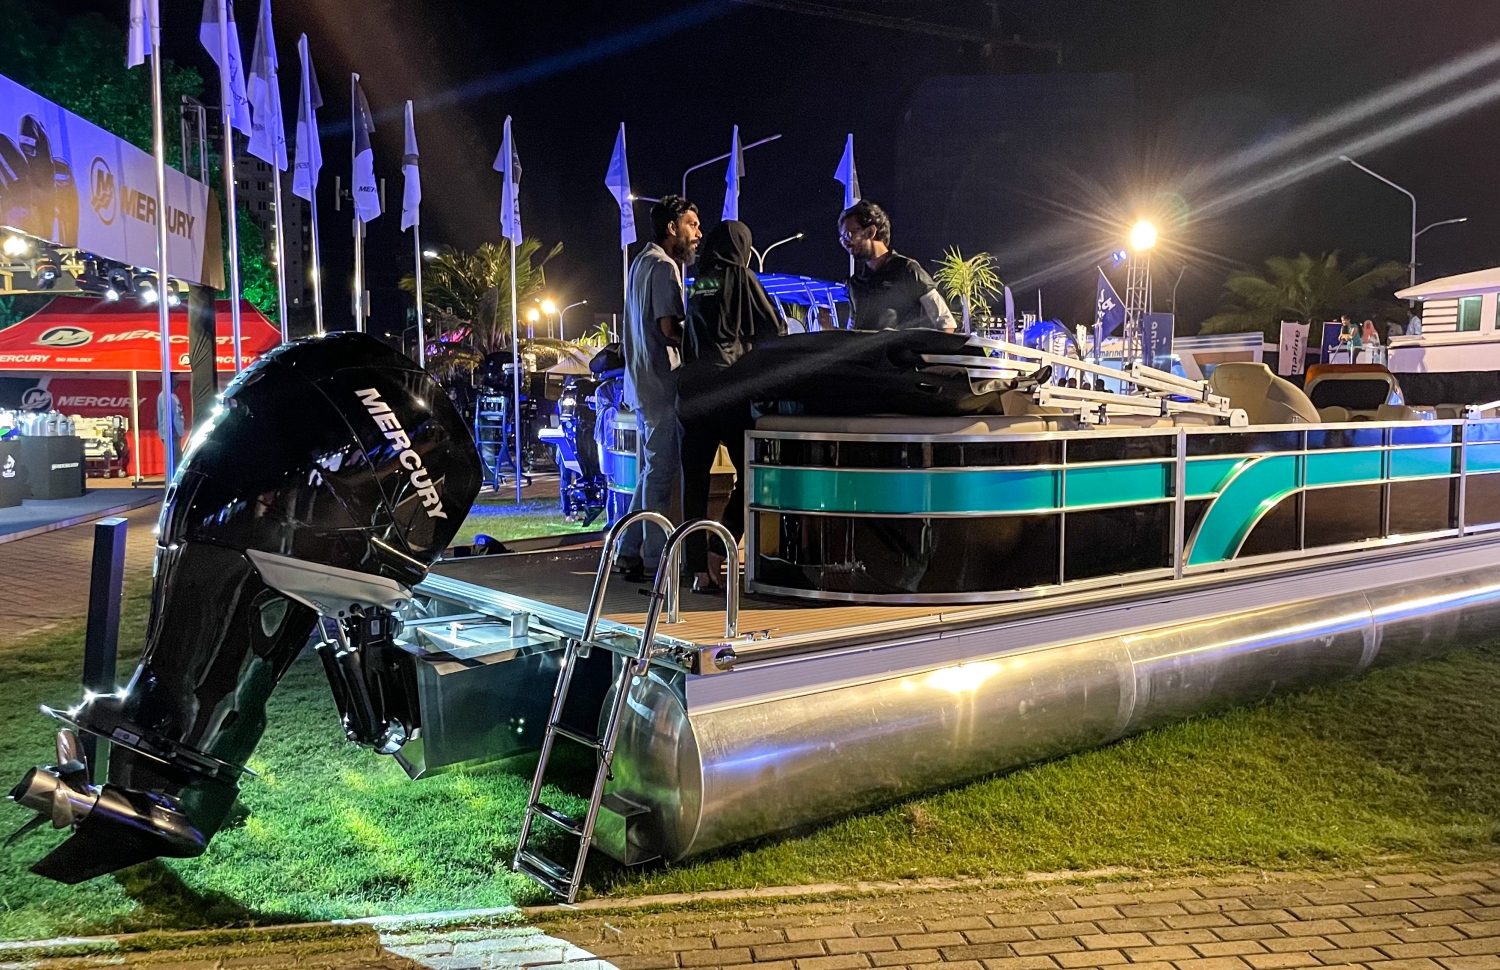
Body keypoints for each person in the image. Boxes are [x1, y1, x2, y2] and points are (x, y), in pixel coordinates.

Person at [678, 220, 785, 593]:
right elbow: (775, 330)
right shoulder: (741, 277)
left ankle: (696, 569)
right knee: (754, 474)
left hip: (691, 392)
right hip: (728, 390)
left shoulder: (700, 283)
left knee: (694, 483)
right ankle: (718, 551)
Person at [616, 195, 702, 582]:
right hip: (661, 384)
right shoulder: (665, 267)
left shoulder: (641, 262)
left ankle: (627, 550)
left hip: (639, 384)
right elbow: (670, 329)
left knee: (650, 471)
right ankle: (656, 560)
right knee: (661, 475)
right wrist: (702, 339)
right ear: (672, 228)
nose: (698, 233)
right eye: (691, 225)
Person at [839, 200, 956, 332]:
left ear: (871, 232)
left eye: (849, 235)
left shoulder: (907, 270)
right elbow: (853, 328)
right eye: (842, 239)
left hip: (901, 346)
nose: (846, 244)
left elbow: (946, 322)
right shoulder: (855, 282)